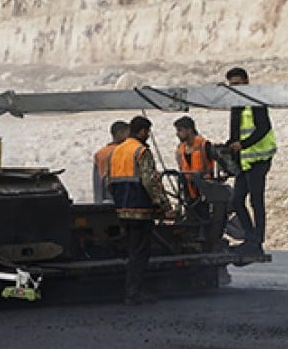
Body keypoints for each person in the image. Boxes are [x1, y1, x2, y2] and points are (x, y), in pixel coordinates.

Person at [108, 116, 176, 305]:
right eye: (147, 132)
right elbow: (150, 181)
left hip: (122, 210)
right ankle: (134, 292)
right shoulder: (141, 151)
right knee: (140, 253)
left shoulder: (116, 151)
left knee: (131, 251)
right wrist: (164, 206)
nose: (148, 135)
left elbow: (109, 181)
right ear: (142, 131)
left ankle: (131, 289)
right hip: (140, 210)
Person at [225, 67, 275, 256]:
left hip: (259, 160)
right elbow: (234, 134)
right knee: (237, 200)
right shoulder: (236, 104)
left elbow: (263, 128)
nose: (236, 88)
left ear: (247, 81)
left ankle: (256, 241)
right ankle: (250, 237)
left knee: (256, 201)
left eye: (238, 84)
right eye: (232, 85)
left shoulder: (255, 102)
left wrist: (243, 144)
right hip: (245, 162)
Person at [173, 116, 216, 210]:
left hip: (205, 191)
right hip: (188, 193)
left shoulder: (205, 145)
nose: (177, 134)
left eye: (180, 130)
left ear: (190, 130)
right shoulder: (180, 149)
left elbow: (221, 161)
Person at [92, 120, 131, 203]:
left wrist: (98, 203)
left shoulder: (100, 154)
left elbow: (97, 183)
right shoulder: (126, 152)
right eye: (128, 133)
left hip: (105, 200)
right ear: (120, 133)